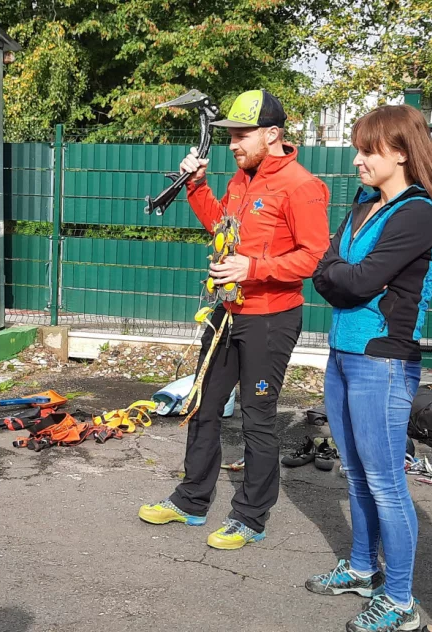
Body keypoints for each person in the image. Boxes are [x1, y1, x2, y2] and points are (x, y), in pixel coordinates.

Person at [138, 89, 331, 548]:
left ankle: (251, 516)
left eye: (242, 134)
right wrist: (196, 185)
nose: (233, 144)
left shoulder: (302, 186)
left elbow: (316, 258)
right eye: (230, 135)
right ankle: (191, 500)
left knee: (257, 418)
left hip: (271, 319)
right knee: (203, 406)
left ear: (272, 134)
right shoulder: (242, 180)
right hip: (226, 312)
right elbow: (221, 226)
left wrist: (255, 268)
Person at [308, 104, 432, 632]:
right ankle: (360, 568)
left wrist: (341, 275)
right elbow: (327, 270)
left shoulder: (418, 213)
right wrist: (340, 274)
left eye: (366, 150)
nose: (356, 160)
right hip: (342, 355)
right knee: (355, 473)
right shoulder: (364, 203)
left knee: (385, 481)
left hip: (384, 362)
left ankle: (399, 602)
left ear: (399, 152)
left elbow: (350, 280)